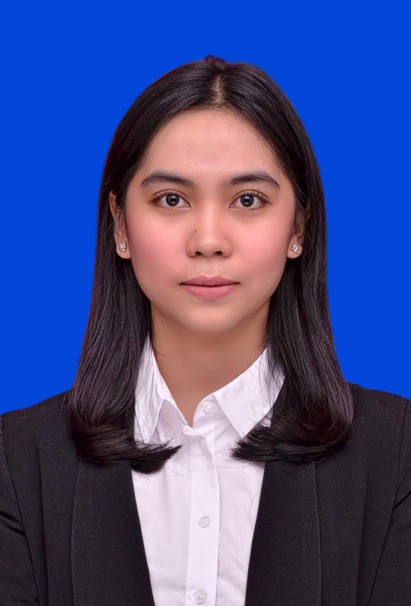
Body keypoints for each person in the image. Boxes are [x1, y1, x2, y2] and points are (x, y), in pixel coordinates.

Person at [0, 57, 410, 606]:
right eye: (172, 199)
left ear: (299, 226)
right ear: (121, 225)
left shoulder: (396, 454)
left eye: (248, 200)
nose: (209, 240)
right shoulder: (18, 459)